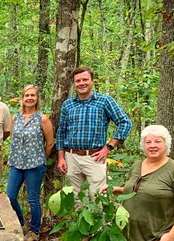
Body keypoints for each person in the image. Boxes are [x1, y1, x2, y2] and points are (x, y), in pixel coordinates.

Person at [56, 66, 132, 195]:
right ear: (74, 84)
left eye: (85, 79)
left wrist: (108, 148)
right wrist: (61, 158)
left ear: (92, 81)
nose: (81, 83)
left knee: (98, 196)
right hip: (71, 157)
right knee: (76, 198)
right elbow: (61, 132)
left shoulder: (104, 101)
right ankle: (78, 215)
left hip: (95, 157)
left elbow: (125, 123)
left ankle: (100, 215)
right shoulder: (68, 104)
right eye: (78, 81)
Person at [6, 85, 54, 241]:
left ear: (37, 98)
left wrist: (41, 159)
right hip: (17, 164)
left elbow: (50, 143)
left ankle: (34, 230)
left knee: (33, 198)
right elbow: (13, 139)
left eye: (32, 95)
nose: (29, 98)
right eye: (27, 95)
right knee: (10, 196)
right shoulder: (16, 118)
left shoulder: (43, 119)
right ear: (22, 98)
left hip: (35, 164)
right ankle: (20, 223)